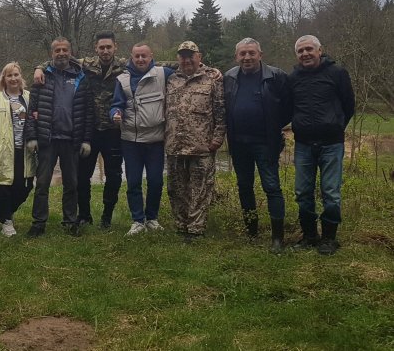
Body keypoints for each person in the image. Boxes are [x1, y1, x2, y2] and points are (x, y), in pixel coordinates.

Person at [34, 31, 126, 229]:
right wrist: (38, 68)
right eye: (101, 47)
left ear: (115, 47)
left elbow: (153, 62)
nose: (105, 50)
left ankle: (106, 217)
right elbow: (56, 60)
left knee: (113, 176)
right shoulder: (85, 65)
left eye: (109, 47)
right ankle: (83, 216)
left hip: (112, 131)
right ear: (96, 48)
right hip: (88, 131)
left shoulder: (124, 66)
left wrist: (191, 64)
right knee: (80, 177)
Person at [223, 38, 291, 253]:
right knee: (244, 186)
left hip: (265, 143)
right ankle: (251, 232)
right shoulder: (229, 77)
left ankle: (277, 238)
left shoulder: (276, 76)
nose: (247, 57)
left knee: (271, 187)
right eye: (242, 53)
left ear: (260, 55)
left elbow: (289, 107)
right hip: (238, 143)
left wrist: (274, 126)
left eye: (251, 53)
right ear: (237, 56)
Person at [289, 35, 354, 255]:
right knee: (302, 192)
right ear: (297, 55)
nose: (305, 54)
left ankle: (329, 238)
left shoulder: (337, 73)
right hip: (303, 144)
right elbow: (289, 107)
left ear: (320, 50)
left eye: (309, 49)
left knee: (331, 193)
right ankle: (309, 236)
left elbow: (349, 105)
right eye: (300, 51)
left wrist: (335, 126)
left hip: (331, 144)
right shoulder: (294, 77)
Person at [25, 37, 94, 237]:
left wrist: (86, 140)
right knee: (43, 184)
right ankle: (38, 222)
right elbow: (32, 110)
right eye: (57, 50)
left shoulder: (82, 78)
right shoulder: (42, 77)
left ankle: (70, 221)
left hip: (72, 140)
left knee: (71, 184)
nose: (61, 53)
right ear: (52, 53)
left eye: (65, 50)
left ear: (70, 52)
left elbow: (88, 112)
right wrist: (32, 137)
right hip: (48, 139)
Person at [110, 43, 174, 236]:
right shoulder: (122, 79)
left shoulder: (164, 74)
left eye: (144, 56)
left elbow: (188, 68)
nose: (140, 60)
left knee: (155, 181)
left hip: (156, 140)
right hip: (131, 140)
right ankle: (137, 220)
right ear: (131, 57)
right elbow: (116, 104)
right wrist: (115, 114)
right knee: (133, 182)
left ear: (151, 56)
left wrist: (209, 70)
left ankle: (152, 218)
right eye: (136, 56)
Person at [165, 41, 225, 243]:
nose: (187, 59)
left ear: (199, 56)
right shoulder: (171, 79)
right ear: (178, 58)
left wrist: (216, 140)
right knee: (176, 189)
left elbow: (220, 112)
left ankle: (195, 229)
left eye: (190, 55)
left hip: (201, 147)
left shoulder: (212, 79)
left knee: (200, 190)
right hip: (175, 145)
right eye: (183, 56)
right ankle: (181, 225)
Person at [0, 62, 36, 237]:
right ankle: (6, 221)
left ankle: (6, 212)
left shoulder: (29, 97)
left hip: (25, 152)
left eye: (16, 75)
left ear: (21, 77)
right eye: (9, 75)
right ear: (3, 78)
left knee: (23, 188)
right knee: (2, 186)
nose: (13, 78)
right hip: (2, 152)